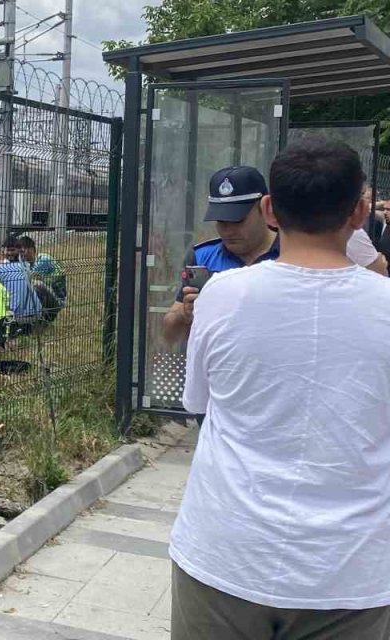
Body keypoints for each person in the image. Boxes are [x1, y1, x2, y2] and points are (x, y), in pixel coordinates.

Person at [172, 138, 390, 639]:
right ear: (360, 212)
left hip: (224, 555)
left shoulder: (222, 295)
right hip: (350, 574)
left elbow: (199, 402)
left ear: (269, 209)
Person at [162, 166, 280, 344]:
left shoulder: (292, 254)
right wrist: (184, 315)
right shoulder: (202, 258)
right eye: (221, 221)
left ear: (264, 208)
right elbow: (170, 337)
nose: (228, 230)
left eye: (237, 220)